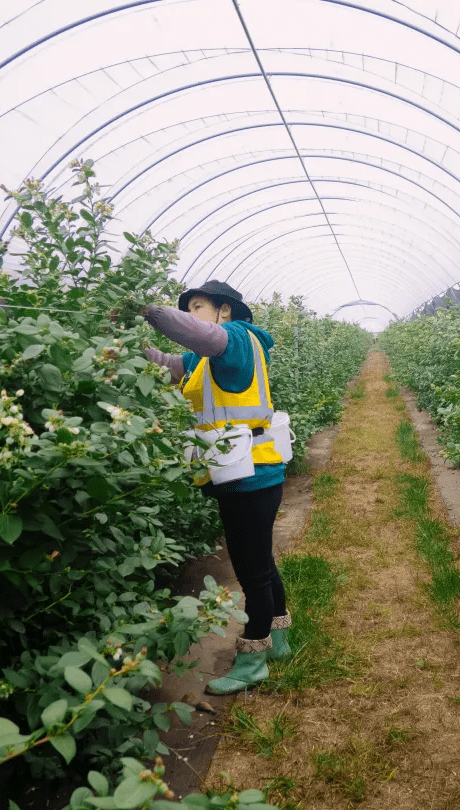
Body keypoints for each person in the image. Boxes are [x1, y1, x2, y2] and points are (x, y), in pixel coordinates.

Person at [142, 279, 292, 695]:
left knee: (251, 573)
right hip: (241, 474)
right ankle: (279, 641)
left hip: (251, 478)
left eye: (199, 305)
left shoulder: (238, 340)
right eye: (187, 307)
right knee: (261, 563)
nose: (191, 314)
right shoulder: (203, 358)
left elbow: (195, 333)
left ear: (225, 311)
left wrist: (148, 311)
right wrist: (127, 350)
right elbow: (172, 363)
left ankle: (252, 658)